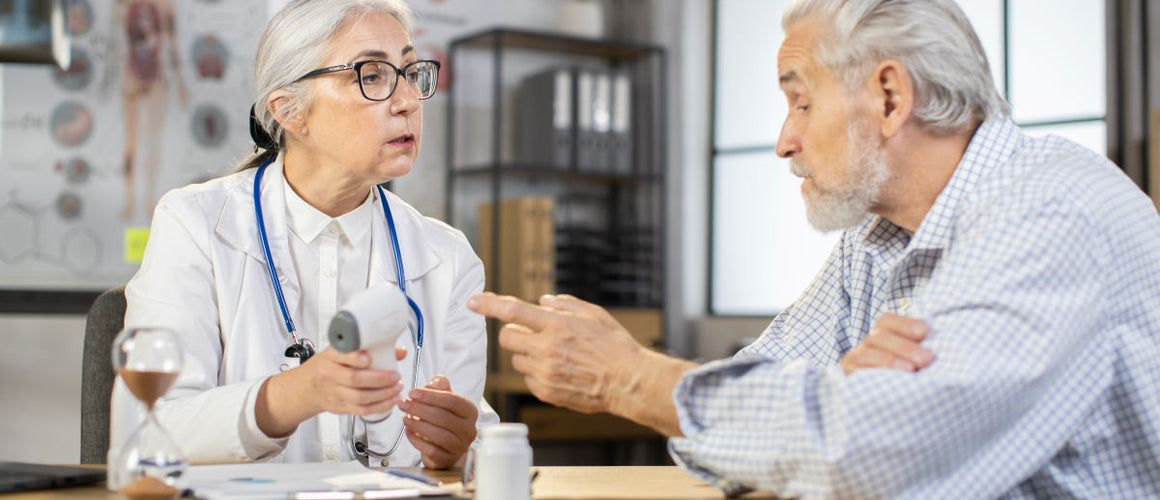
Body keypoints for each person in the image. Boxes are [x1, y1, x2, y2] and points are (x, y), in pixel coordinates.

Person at [468, 0, 1160, 498]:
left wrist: (631, 378)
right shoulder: (878, 235)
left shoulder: (1046, 214)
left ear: (890, 97)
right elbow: (744, 416)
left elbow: (869, 457)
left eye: (801, 103)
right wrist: (821, 406)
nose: (783, 139)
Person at [111, 0, 497, 471]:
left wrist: (460, 450)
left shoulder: (448, 257)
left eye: (411, 72)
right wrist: (297, 394)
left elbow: (481, 440)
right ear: (290, 111)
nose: (408, 101)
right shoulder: (195, 225)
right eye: (372, 75)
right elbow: (146, 429)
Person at [118, 0, 187, 220]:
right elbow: (115, 42)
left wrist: (180, 84)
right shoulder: (125, 4)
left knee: (151, 141)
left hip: (155, 77)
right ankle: (130, 201)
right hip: (132, 76)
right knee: (131, 141)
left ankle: (149, 201)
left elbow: (172, 43)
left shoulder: (165, 5)